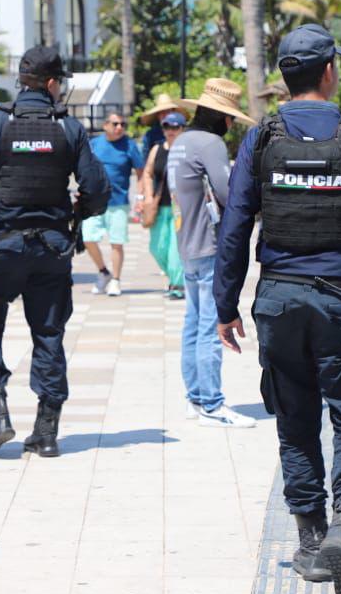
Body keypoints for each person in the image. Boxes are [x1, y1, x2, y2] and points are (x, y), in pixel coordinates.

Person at [215, 24, 341, 594]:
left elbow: (236, 225)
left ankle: (310, 541)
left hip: (277, 299)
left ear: (284, 76)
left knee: (295, 419)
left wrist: (225, 306)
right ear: (328, 71)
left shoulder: (261, 137)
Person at [0, 46, 109, 458]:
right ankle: (46, 433)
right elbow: (98, 191)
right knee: (49, 334)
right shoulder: (69, 129)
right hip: (52, 250)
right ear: (51, 84)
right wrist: (75, 211)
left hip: (1, 249)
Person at [166, 79, 256, 428]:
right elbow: (228, 191)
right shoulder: (210, 143)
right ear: (221, 116)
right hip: (208, 243)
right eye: (231, 118)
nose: (232, 125)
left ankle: (194, 397)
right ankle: (212, 404)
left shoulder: (182, 142)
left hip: (185, 241)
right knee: (210, 325)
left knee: (192, 322)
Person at [82, 111, 144, 296]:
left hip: (118, 202)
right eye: (116, 124)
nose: (120, 128)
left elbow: (141, 173)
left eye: (123, 125)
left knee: (116, 242)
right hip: (94, 202)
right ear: (105, 125)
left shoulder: (130, 145)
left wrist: (140, 197)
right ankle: (103, 272)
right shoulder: (94, 144)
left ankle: (116, 280)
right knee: (88, 238)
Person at [141, 111, 186, 299]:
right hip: (159, 206)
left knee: (175, 249)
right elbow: (148, 173)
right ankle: (178, 279)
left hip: (180, 207)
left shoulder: (186, 149)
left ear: (183, 128)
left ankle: (178, 285)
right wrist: (148, 196)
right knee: (157, 247)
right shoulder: (157, 149)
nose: (171, 130)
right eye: (167, 126)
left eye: (175, 127)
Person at [139, 92, 188, 157]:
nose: (165, 115)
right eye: (162, 112)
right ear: (158, 115)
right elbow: (146, 159)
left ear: (173, 112)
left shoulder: (182, 131)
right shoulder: (150, 136)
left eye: (168, 111)